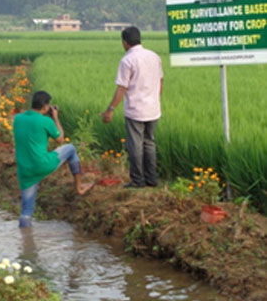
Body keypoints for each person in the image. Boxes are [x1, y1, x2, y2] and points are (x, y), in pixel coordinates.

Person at [13, 91, 94, 228]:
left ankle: (26, 244)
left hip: (24, 170)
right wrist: (55, 117)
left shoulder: (18, 118)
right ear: (45, 107)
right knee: (71, 148)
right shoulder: (46, 121)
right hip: (42, 164)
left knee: (26, 212)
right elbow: (60, 139)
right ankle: (79, 187)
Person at [101, 26, 163, 188]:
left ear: (125, 42)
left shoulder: (127, 60)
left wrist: (110, 109)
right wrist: (155, 99)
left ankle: (137, 180)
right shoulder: (154, 56)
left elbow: (122, 87)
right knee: (149, 143)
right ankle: (152, 180)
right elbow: (161, 81)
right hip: (153, 109)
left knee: (135, 145)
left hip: (136, 110)